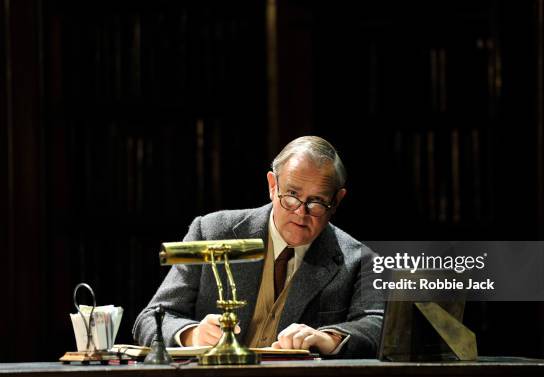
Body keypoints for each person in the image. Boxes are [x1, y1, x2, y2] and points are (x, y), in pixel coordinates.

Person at [133, 136, 383, 357]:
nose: (300, 212)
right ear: (273, 186)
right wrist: (192, 335)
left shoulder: (358, 258)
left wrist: (330, 338)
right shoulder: (212, 231)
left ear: (337, 200)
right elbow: (150, 319)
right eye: (292, 195)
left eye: (316, 202)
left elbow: (378, 325)